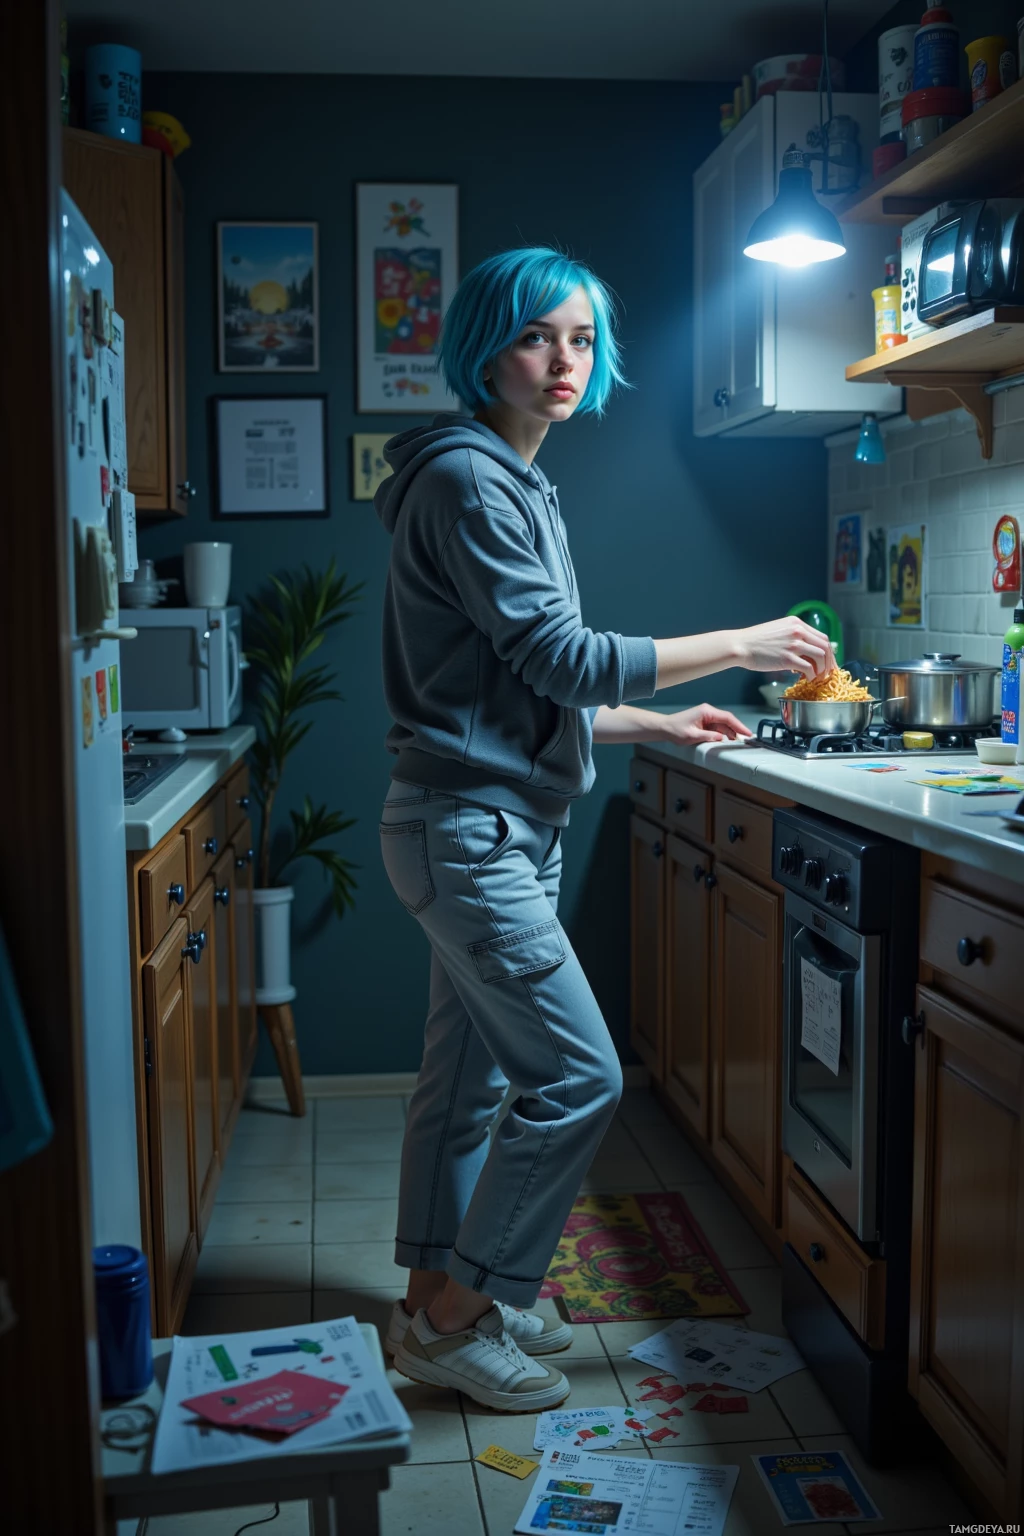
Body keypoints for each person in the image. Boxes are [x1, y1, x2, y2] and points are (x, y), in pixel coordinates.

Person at [374, 247, 833, 1413]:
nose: (562, 361)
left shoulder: (515, 481)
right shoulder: (473, 482)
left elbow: (536, 686)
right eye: (537, 337)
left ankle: (436, 1299)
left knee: (467, 1083)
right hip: (469, 831)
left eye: (579, 339)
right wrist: (738, 639)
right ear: (485, 347)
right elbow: (560, 657)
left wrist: (658, 725)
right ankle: (458, 1316)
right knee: (579, 1078)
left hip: (483, 825)